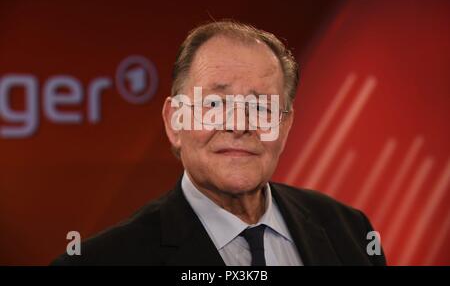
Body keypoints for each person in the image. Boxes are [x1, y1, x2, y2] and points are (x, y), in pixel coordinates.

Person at [52, 20, 386, 266]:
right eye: (215, 104)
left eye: (260, 107)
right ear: (174, 121)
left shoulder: (350, 231)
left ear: (284, 126)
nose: (239, 125)